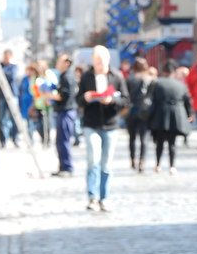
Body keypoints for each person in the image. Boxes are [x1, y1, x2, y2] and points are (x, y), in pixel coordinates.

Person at [76, 45, 129, 211]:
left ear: (107, 60)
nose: (99, 64)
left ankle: (104, 197)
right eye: (96, 60)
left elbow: (126, 100)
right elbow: (77, 99)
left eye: (101, 60)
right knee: (93, 159)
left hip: (110, 124)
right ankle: (92, 197)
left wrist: (112, 100)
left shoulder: (116, 77)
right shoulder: (86, 77)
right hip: (91, 123)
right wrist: (85, 98)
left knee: (106, 163)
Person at [148, 59, 193, 174]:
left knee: (159, 143)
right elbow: (187, 101)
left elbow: (150, 100)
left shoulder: (157, 83)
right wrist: (189, 114)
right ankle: (172, 166)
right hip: (175, 116)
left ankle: (158, 164)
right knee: (172, 143)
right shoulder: (180, 85)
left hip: (160, 115)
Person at [48, 53, 78, 176]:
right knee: (60, 141)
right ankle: (63, 167)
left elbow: (63, 96)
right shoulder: (63, 76)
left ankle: (67, 167)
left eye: (60, 61)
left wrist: (48, 95)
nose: (57, 64)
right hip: (63, 111)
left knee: (64, 140)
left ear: (66, 63)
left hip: (66, 111)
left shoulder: (67, 77)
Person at [124, 58, 153, 171]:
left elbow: (126, 96)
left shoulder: (129, 79)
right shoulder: (150, 80)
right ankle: (142, 161)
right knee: (143, 138)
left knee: (132, 137)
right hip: (145, 111)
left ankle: (132, 160)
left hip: (131, 111)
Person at [0, 49, 20, 148]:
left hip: (12, 95)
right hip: (2, 96)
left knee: (14, 118)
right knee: (1, 119)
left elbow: (12, 77)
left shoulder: (14, 66)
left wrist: (2, 72)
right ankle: (3, 140)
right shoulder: (0, 65)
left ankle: (15, 138)